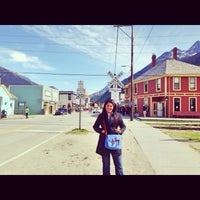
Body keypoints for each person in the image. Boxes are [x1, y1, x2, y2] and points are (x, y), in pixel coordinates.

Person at [93, 99, 126, 175]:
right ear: (105, 106)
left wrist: (120, 131)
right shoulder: (101, 116)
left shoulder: (118, 115)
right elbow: (95, 127)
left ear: (113, 107)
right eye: (107, 106)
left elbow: (123, 126)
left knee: (119, 166)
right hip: (104, 142)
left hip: (115, 142)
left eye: (111, 106)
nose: (109, 107)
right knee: (106, 166)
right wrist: (101, 131)